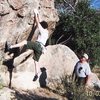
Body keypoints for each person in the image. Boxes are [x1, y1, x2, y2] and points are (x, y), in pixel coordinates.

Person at [10, 9, 49, 80]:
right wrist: (38, 14)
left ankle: (11, 46)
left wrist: (35, 13)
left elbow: (37, 22)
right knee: (36, 61)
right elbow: (40, 23)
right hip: (41, 49)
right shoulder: (46, 32)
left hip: (37, 45)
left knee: (25, 42)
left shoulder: (42, 30)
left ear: (42, 26)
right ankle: (36, 74)